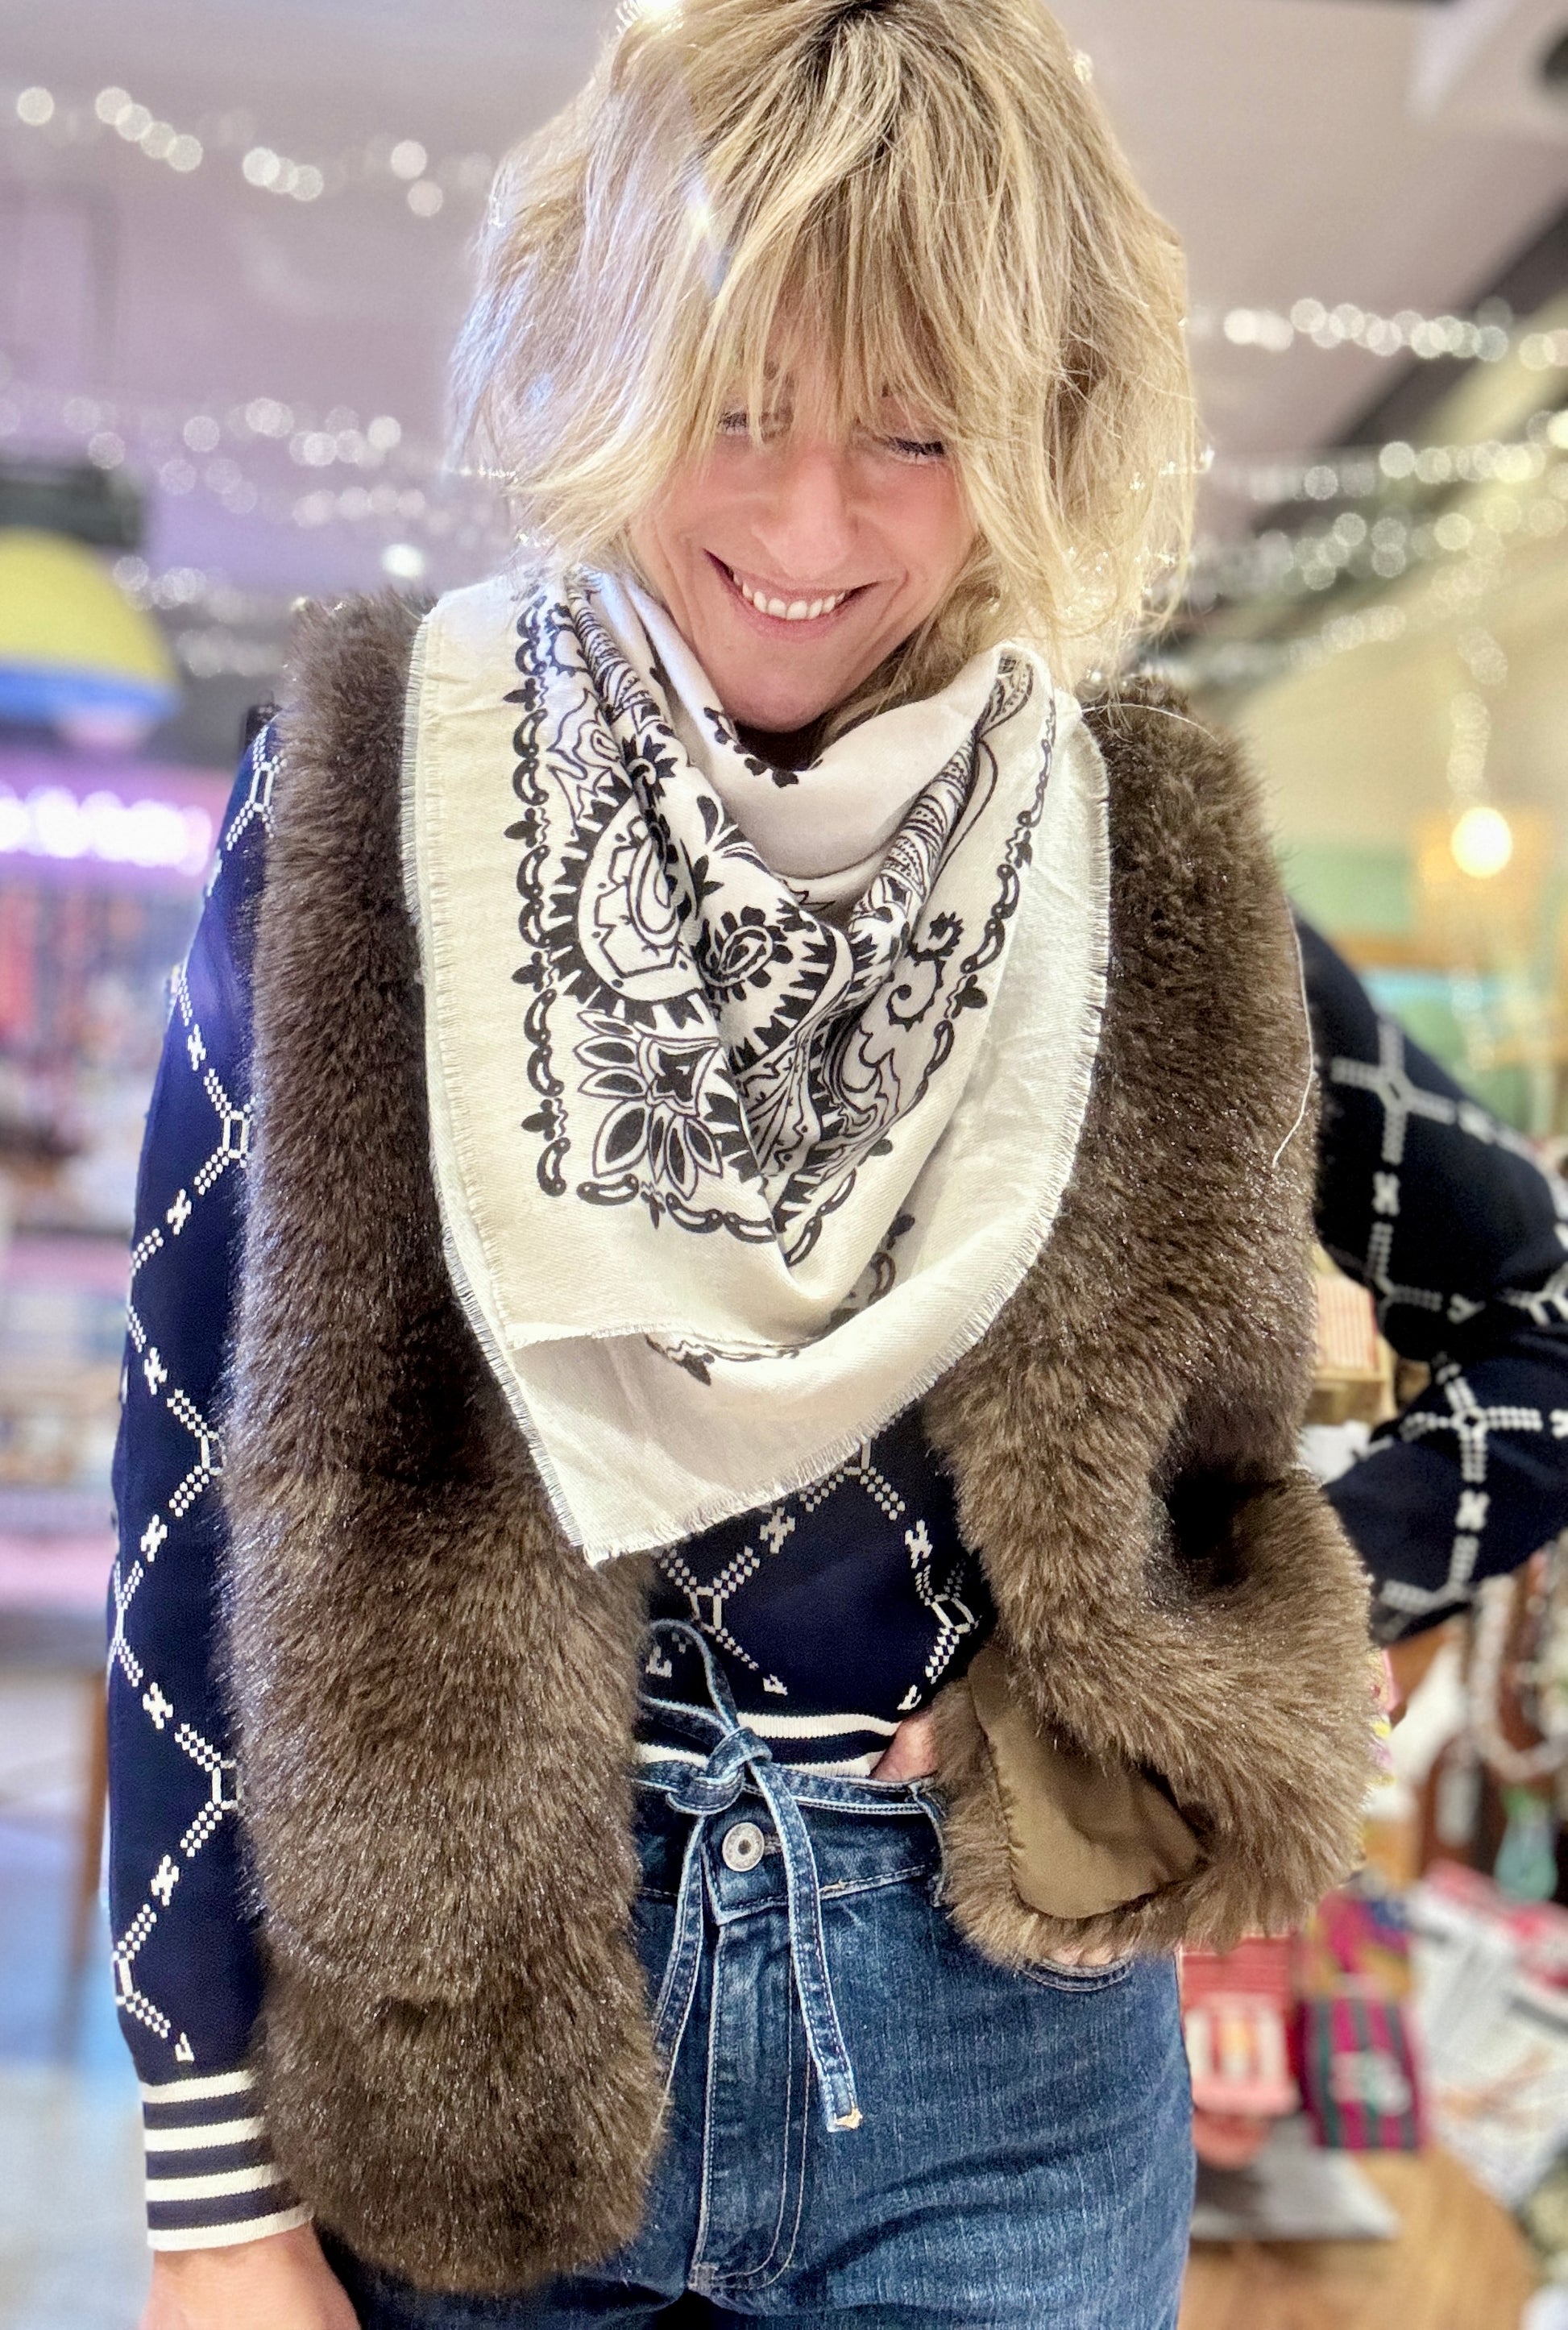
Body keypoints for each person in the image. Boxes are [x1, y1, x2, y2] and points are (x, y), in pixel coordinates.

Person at [113, 3, 1378, 2324]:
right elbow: (196, 1466)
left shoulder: (1141, 853)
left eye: (917, 430)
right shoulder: (375, 797)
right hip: (470, 2006)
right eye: (735, 403)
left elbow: (1385, 1401)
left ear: (1041, 421)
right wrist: (210, 2185)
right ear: (607, 364)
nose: (808, 528)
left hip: (999, 2055)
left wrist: (1156, 1703)